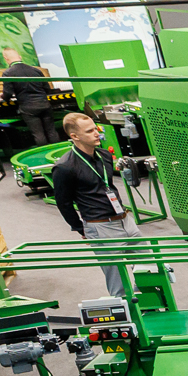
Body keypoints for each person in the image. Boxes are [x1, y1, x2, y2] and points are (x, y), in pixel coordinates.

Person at [51, 112, 141, 298]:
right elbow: (64, 203)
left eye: (96, 129)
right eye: (89, 131)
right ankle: (128, 311)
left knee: (149, 267)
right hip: (100, 227)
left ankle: (148, 306)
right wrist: (81, 228)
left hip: (125, 220)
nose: (96, 133)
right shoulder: (65, 167)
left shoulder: (104, 155)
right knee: (118, 283)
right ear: (75, 136)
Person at [0, 48, 57, 146]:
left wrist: (1, 96)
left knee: (38, 134)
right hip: (44, 104)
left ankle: (45, 153)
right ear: (20, 57)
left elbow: (7, 94)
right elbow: (47, 88)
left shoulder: (8, 73)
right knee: (51, 131)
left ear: (6, 58)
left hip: (28, 107)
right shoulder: (36, 70)